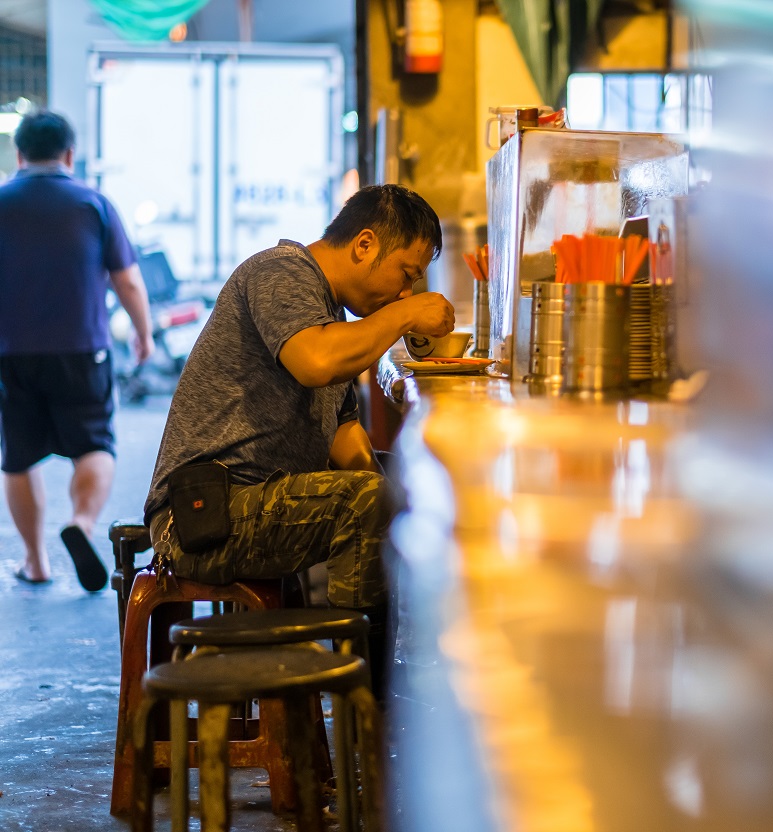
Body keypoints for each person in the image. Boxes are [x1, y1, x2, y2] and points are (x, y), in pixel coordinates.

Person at [143, 183, 454, 693]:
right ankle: (369, 700)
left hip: (250, 504)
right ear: (364, 245)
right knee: (365, 501)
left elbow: (346, 441)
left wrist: (404, 499)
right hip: (202, 514)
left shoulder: (331, 317)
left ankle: (399, 673)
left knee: (406, 481)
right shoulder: (280, 272)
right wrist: (403, 315)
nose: (405, 292)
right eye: (406, 274)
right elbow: (316, 361)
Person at [0, 110, 155, 591]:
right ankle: (82, 524)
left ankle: (35, 561)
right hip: (83, 349)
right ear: (70, 154)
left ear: (19, 155)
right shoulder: (94, 204)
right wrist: (143, 333)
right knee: (95, 445)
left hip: (12, 353)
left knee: (18, 457)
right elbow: (127, 281)